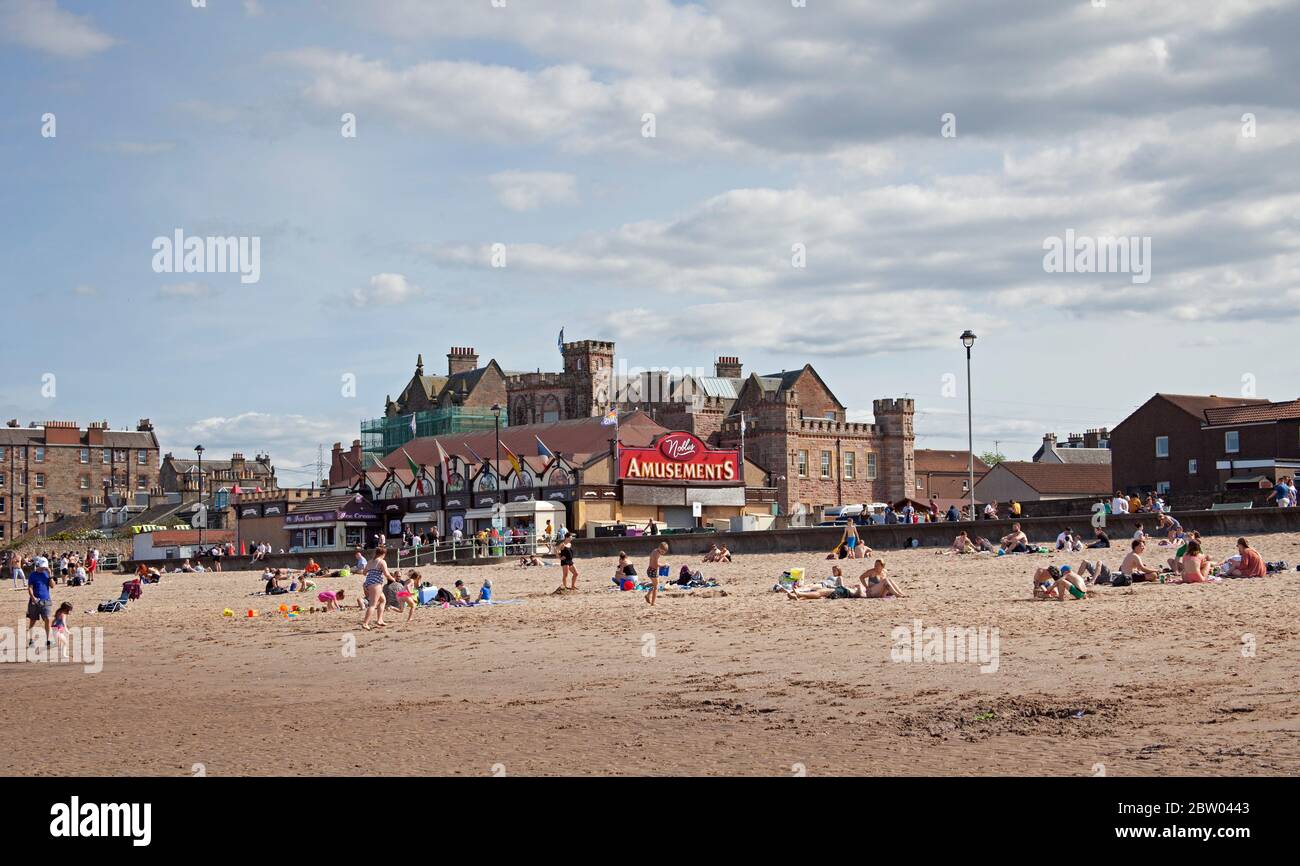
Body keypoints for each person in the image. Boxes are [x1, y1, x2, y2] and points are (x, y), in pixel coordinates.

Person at [26, 557, 54, 649]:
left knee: (48, 619)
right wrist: (33, 598)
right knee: (33, 621)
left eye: (44, 567)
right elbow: (30, 588)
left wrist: (50, 575)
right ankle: (30, 640)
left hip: (46, 600)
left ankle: (48, 640)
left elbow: (52, 586)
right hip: (35, 601)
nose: (43, 568)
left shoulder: (46, 574)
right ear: (38, 565)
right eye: (42, 567)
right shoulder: (32, 575)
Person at [361, 546, 392, 630]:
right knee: (372, 605)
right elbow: (386, 574)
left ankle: (379, 620)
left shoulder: (370, 561)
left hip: (368, 583)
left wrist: (372, 573)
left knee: (383, 600)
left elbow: (364, 573)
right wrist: (393, 579)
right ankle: (365, 623)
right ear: (383, 554)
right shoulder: (382, 561)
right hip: (376, 584)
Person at [646, 542, 668, 606]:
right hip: (652, 571)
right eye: (662, 551)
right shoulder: (657, 554)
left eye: (664, 552)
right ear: (659, 548)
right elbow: (656, 564)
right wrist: (664, 565)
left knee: (655, 584)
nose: (662, 553)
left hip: (651, 570)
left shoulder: (655, 551)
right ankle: (653, 603)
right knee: (656, 587)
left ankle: (648, 595)